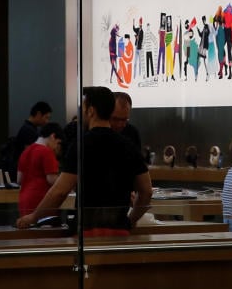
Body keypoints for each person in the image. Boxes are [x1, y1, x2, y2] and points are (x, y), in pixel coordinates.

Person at [17, 87, 152, 236]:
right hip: (119, 230)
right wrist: (131, 220)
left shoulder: (81, 145)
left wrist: (34, 216)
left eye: (84, 106)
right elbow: (146, 191)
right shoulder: (129, 146)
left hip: (87, 231)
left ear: (91, 111)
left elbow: (60, 191)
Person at [16, 122, 62, 216]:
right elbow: (52, 180)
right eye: (58, 143)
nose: (56, 147)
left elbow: (19, 179)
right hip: (41, 202)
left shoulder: (26, 151)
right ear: (53, 136)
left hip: (24, 201)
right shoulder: (47, 152)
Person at [8, 101, 53, 181]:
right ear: (39, 114)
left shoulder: (30, 129)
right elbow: (30, 156)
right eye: (46, 117)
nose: (47, 121)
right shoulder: (28, 130)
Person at [111, 92, 144, 158]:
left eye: (124, 119)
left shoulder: (132, 132)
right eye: (115, 119)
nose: (120, 124)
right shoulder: (97, 134)